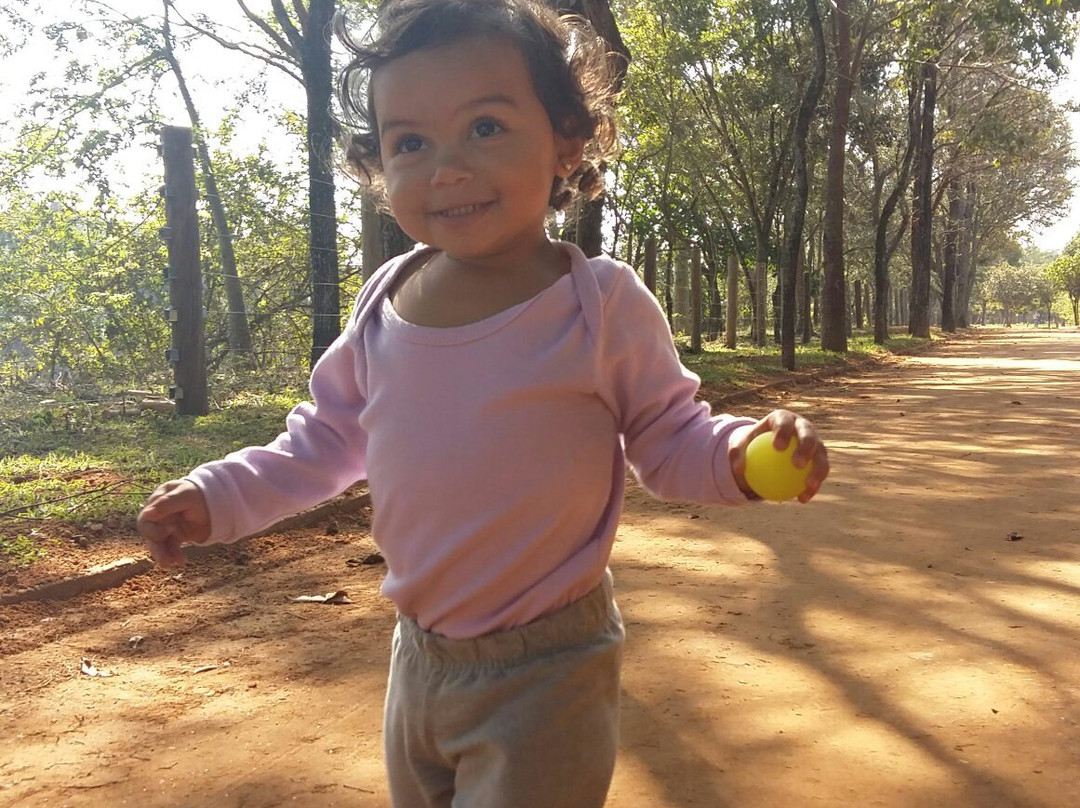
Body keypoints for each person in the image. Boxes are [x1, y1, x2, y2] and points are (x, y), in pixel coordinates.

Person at [137, 1, 830, 806]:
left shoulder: (596, 304)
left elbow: (672, 440)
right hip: (417, 660)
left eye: (487, 128)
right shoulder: (383, 301)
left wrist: (747, 456)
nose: (447, 168)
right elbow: (320, 442)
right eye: (410, 142)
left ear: (568, 140)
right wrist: (215, 494)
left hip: (548, 669)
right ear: (378, 166)